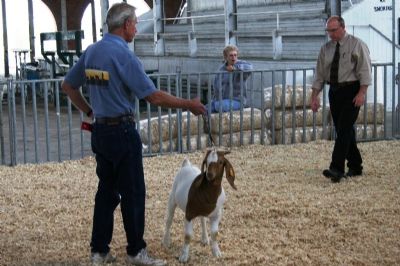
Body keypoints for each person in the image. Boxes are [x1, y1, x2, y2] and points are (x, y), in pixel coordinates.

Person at [61, 2, 206, 265]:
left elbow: (68, 86)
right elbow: (152, 95)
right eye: (136, 23)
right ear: (126, 24)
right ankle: (136, 251)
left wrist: (90, 111)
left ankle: (99, 251)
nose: (137, 28)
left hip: (101, 132)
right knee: (134, 193)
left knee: (106, 192)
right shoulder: (125, 56)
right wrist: (189, 105)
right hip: (123, 131)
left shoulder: (92, 52)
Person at [310, 16, 372, 183]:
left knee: (344, 129)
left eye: (333, 30)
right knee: (344, 129)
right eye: (328, 31)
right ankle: (356, 165)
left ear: (343, 27)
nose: (330, 34)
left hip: (352, 90)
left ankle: (336, 168)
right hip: (334, 91)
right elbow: (320, 74)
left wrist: (361, 93)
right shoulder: (326, 49)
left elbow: (365, 70)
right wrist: (314, 96)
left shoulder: (357, 44)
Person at [209, 45, 253, 113]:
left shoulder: (240, 64)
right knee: (204, 108)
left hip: (237, 101)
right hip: (223, 100)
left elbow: (250, 68)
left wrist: (235, 68)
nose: (234, 58)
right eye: (231, 55)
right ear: (226, 57)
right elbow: (216, 88)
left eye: (235, 55)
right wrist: (214, 100)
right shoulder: (221, 70)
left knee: (219, 106)